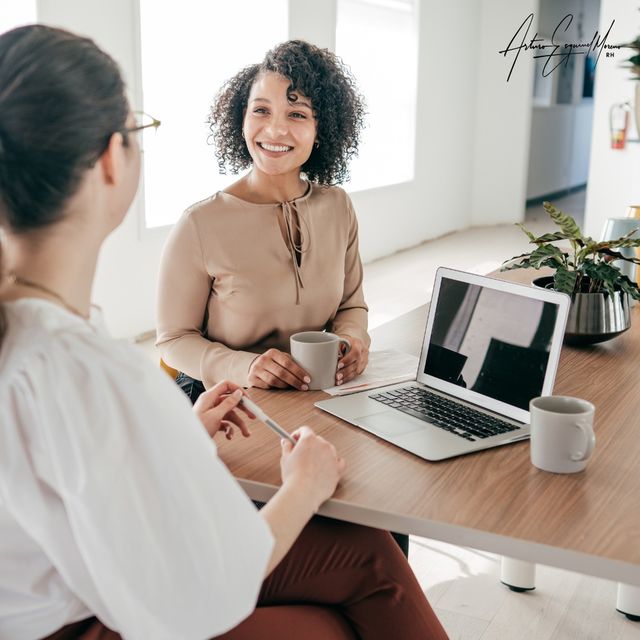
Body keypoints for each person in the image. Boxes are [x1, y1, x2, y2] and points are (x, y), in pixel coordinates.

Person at [0, 25, 448, 640]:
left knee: (369, 557)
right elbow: (201, 591)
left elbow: (82, 486)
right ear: (111, 159)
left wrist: (179, 435)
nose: (276, 127)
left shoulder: (44, 345)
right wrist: (304, 486)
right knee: (361, 585)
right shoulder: (93, 368)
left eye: (297, 113)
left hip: (89, 593)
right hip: (98, 620)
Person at [156, 40, 370, 401]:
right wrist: (245, 367)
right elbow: (173, 341)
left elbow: (351, 305)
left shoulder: (337, 206)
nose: (274, 130)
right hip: (224, 401)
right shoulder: (200, 223)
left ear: (322, 130)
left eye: (297, 114)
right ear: (241, 119)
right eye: (261, 111)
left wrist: (354, 340)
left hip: (313, 395)